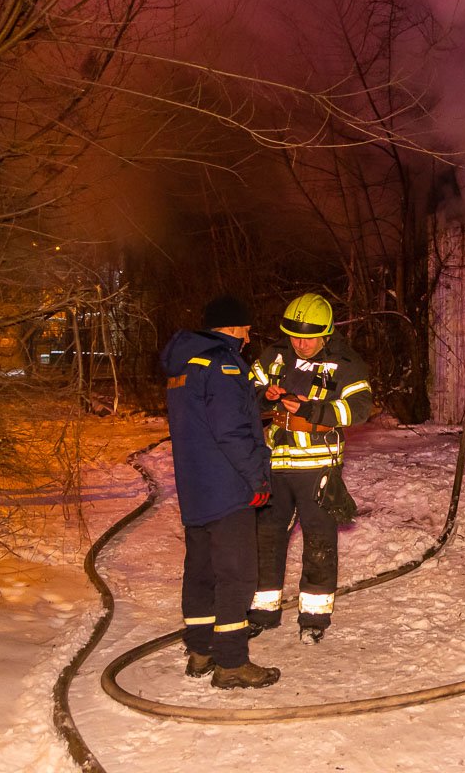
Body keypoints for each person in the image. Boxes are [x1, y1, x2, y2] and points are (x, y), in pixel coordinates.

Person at [160, 295, 280, 690]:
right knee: (237, 575)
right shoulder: (224, 364)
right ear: (231, 328)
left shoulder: (185, 364)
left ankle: (201, 650)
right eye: (245, 331)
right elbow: (231, 430)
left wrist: (258, 401)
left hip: (195, 487)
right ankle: (231, 663)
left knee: (201, 571)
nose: (247, 339)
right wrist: (258, 478)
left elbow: (208, 415)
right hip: (227, 485)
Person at [247, 293, 372, 643]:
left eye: (309, 338)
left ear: (327, 334)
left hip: (318, 467)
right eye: (295, 337)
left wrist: (313, 411)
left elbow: (360, 409)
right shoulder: (274, 355)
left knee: (319, 538)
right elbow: (246, 393)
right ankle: (262, 610)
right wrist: (264, 397)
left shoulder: (345, 362)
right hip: (275, 463)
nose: (301, 344)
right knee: (267, 535)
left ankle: (314, 616)